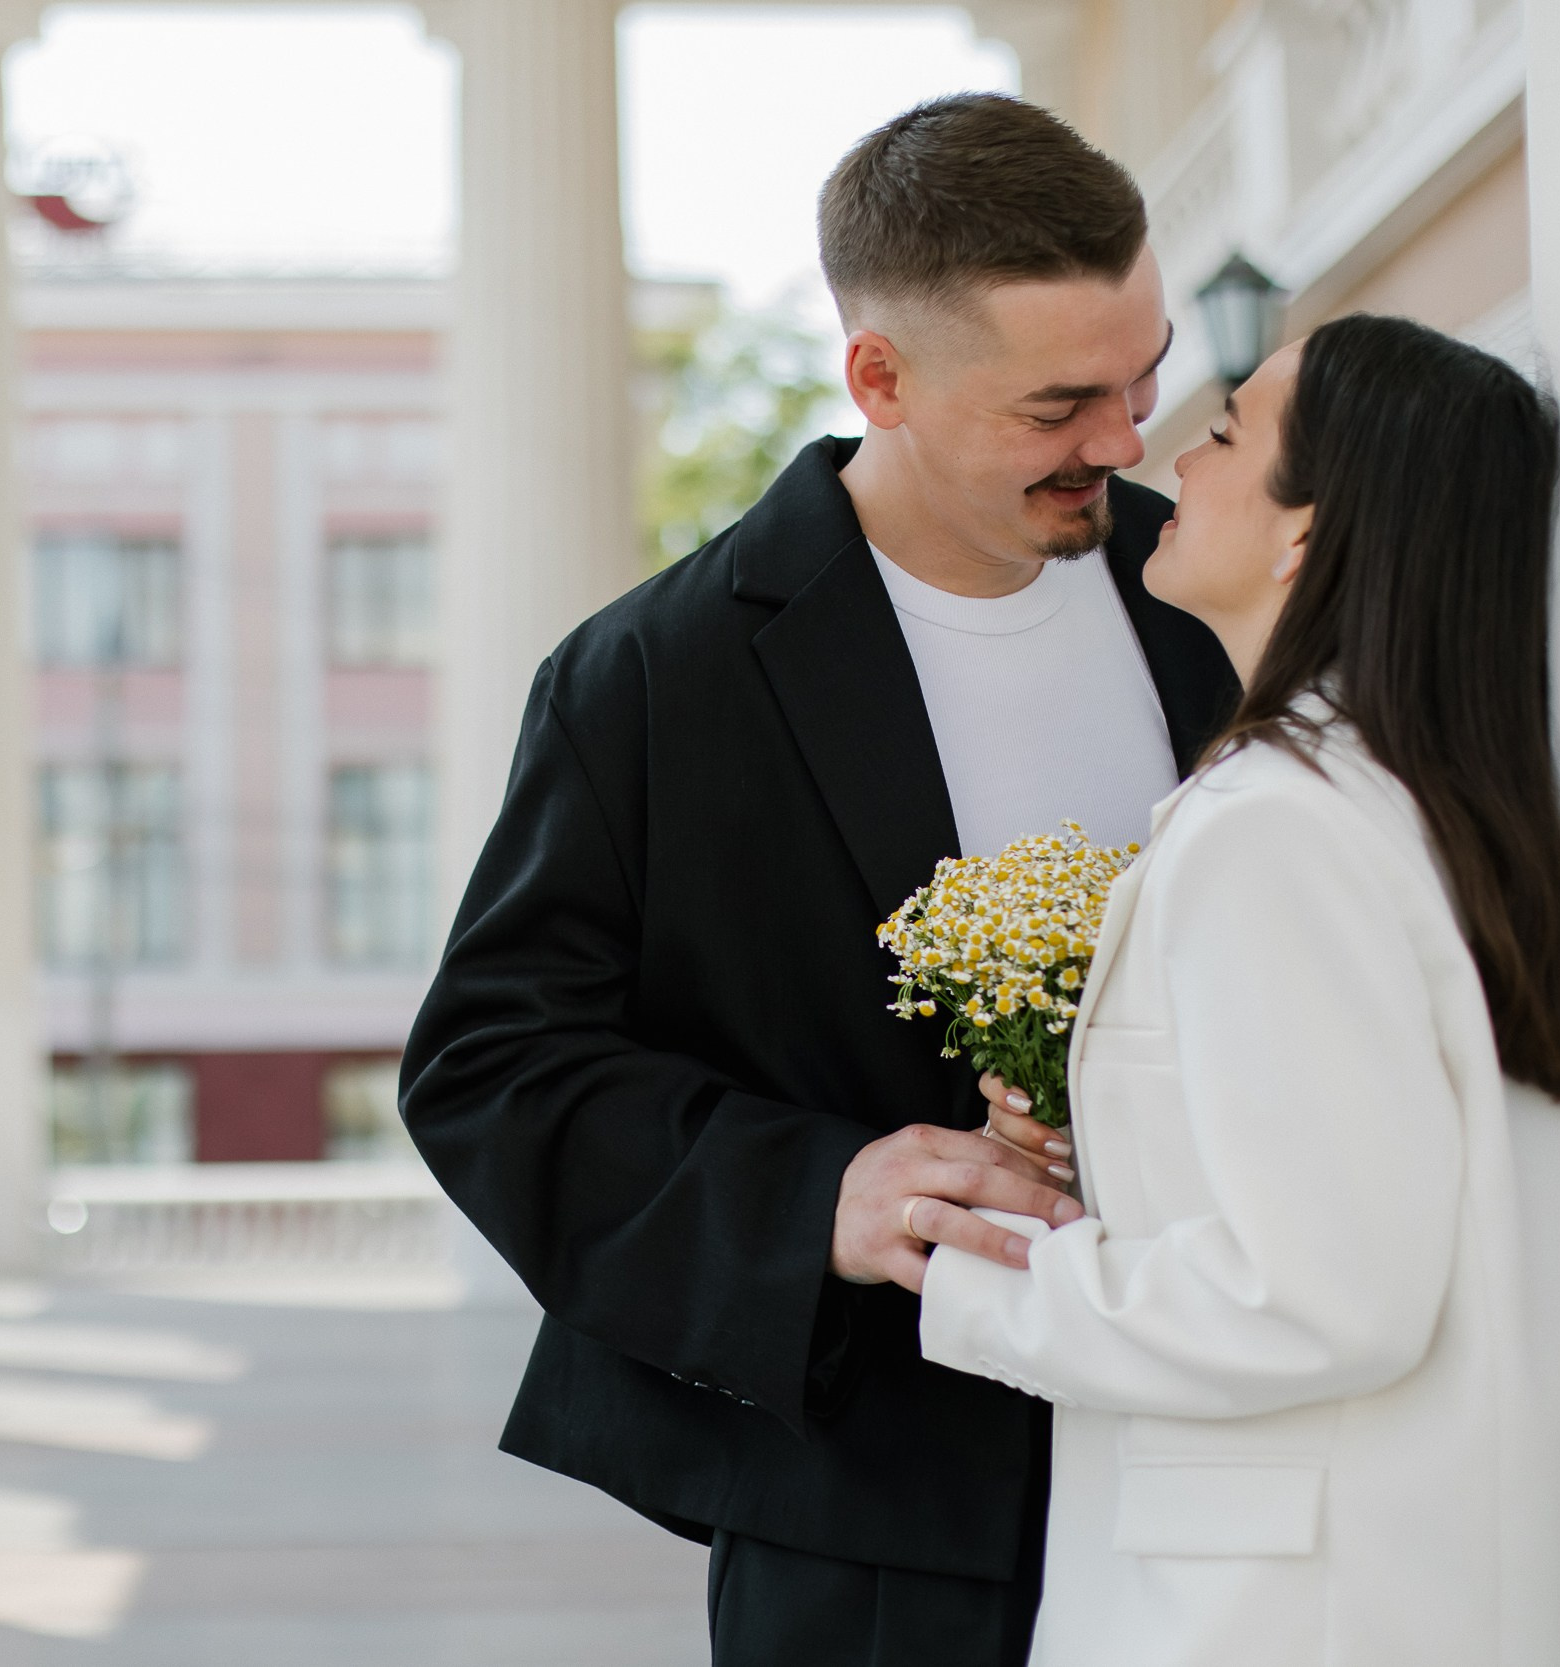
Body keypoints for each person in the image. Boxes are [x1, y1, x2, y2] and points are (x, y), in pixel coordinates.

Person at [399, 95, 1235, 1663]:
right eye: (1061, 405)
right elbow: (489, 1071)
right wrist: (822, 1195)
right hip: (884, 1507)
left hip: (1226, 1471)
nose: (1125, 444)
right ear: (880, 377)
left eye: (1143, 375)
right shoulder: (653, 677)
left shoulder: (1214, 594)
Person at [920, 314, 1560, 1666]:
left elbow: (1318, 1292)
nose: (1164, 458)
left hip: (1293, 1610)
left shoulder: (1281, 826)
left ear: (1306, 536)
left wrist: (978, 1276)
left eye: (1221, 432)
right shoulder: (1396, 798)